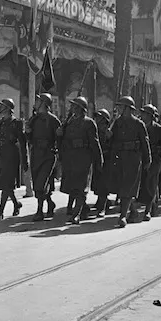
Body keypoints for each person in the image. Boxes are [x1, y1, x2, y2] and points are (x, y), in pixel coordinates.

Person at [57, 96, 103, 225]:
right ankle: (84, 209)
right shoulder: (69, 123)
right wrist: (59, 135)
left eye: (74, 106)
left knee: (81, 187)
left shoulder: (89, 123)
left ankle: (76, 215)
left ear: (80, 108)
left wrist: (99, 160)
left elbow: (95, 143)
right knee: (73, 187)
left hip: (84, 158)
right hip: (71, 158)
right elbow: (63, 141)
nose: (71, 108)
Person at [106, 95, 151, 227]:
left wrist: (148, 159)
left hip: (133, 159)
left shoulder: (138, 124)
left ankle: (122, 217)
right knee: (122, 187)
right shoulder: (117, 123)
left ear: (127, 108)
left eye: (121, 106)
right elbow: (110, 141)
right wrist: (108, 136)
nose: (118, 108)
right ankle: (133, 210)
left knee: (127, 187)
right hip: (119, 158)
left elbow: (145, 143)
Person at [0, 98, 27, 220]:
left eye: (2, 106)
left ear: (8, 109)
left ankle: (0, 211)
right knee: (6, 183)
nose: (0, 108)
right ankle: (16, 204)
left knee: (6, 183)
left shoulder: (16, 123)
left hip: (12, 155)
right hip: (0, 156)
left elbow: (22, 142)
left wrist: (25, 160)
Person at [26, 93, 61, 220]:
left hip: (48, 154)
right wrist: (28, 133)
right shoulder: (33, 119)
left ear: (43, 103)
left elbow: (60, 139)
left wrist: (59, 134)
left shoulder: (53, 120)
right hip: (36, 154)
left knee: (41, 184)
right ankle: (50, 204)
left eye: (38, 100)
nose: (35, 102)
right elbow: (29, 138)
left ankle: (39, 211)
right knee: (37, 184)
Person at [137, 104, 161, 220]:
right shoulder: (139, 126)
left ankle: (147, 211)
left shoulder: (158, 129)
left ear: (150, 116)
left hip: (154, 161)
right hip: (141, 159)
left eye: (145, 113)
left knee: (151, 184)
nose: (142, 115)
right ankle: (152, 205)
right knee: (142, 185)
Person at [92, 108, 113, 217]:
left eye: (100, 117)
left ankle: (102, 207)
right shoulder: (95, 130)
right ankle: (102, 202)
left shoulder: (108, 131)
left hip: (106, 159)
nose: (97, 119)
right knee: (97, 183)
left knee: (103, 184)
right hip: (96, 159)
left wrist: (110, 138)